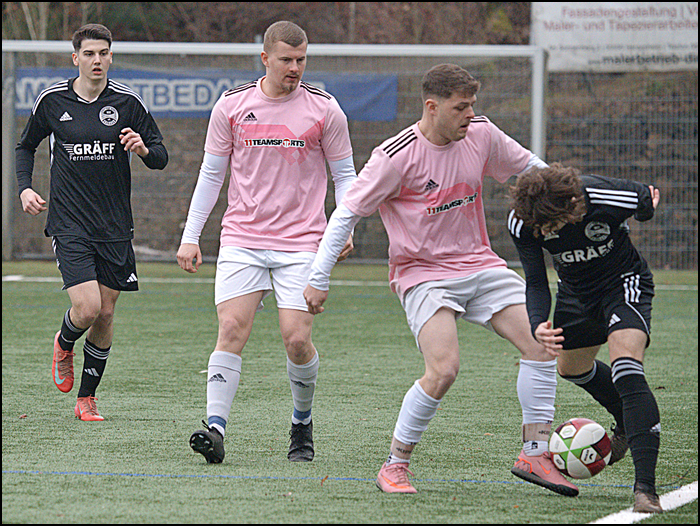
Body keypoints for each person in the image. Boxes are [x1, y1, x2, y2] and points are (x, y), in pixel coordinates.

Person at [304, 63, 578, 496]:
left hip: (480, 265)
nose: (470, 114)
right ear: (432, 107)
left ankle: (535, 453)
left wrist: (579, 200)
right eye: (460, 107)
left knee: (543, 344)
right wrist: (319, 278)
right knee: (444, 369)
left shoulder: (482, 134)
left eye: (472, 105)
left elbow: (533, 170)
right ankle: (394, 465)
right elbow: (346, 214)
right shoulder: (394, 157)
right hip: (423, 275)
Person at [176, 21, 356, 464]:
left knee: (296, 340)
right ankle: (215, 429)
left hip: (303, 242)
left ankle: (301, 422)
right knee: (231, 329)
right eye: (286, 60)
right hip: (243, 238)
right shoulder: (232, 106)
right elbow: (211, 174)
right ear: (265, 59)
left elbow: (345, 176)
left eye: (301, 60)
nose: (295, 68)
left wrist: (345, 227)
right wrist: (191, 235)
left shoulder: (325, 109)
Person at [15, 23, 169, 421]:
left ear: (111, 56)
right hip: (69, 221)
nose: (96, 60)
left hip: (114, 225)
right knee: (86, 308)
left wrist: (143, 149)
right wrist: (25, 188)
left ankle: (86, 399)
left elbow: (160, 155)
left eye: (103, 53)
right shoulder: (52, 100)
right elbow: (25, 146)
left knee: (105, 314)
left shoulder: (128, 102)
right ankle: (64, 343)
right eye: (89, 54)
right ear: (76, 58)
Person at [507, 163, 663, 513]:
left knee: (626, 369)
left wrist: (646, 210)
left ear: (573, 205)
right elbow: (535, 280)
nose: (548, 233)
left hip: (624, 284)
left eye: (553, 226)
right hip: (576, 295)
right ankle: (626, 422)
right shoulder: (522, 220)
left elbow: (644, 198)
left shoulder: (603, 195)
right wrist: (537, 323)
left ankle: (645, 489)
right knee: (572, 369)